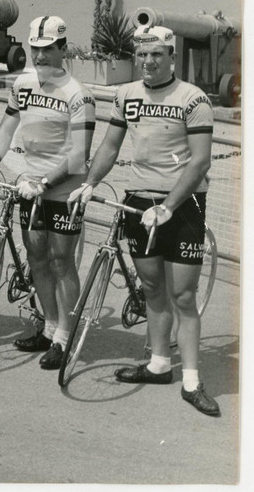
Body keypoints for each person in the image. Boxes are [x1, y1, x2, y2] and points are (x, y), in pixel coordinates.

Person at [69, 25, 219, 417]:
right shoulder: (126, 95)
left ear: (171, 55)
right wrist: (89, 183)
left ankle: (191, 380)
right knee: (152, 287)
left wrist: (169, 205)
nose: (149, 62)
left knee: (183, 296)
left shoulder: (194, 99)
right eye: (143, 55)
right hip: (139, 201)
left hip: (183, 205)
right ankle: (158, 364)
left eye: (157, 54)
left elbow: (200, 160)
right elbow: (110, 145)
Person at [0, 16, 95, 369]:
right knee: (37, 256)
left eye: (47, 50)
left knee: (61, 260)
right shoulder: (23, 84)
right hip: (31, 186)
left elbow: (79, 155)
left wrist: (44, 183)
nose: (40, 56)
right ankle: (49, 325)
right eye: (34, 49)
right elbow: (6, 127)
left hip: (63, 190)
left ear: (62, 49)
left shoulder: (78, 94)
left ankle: (63, 337)